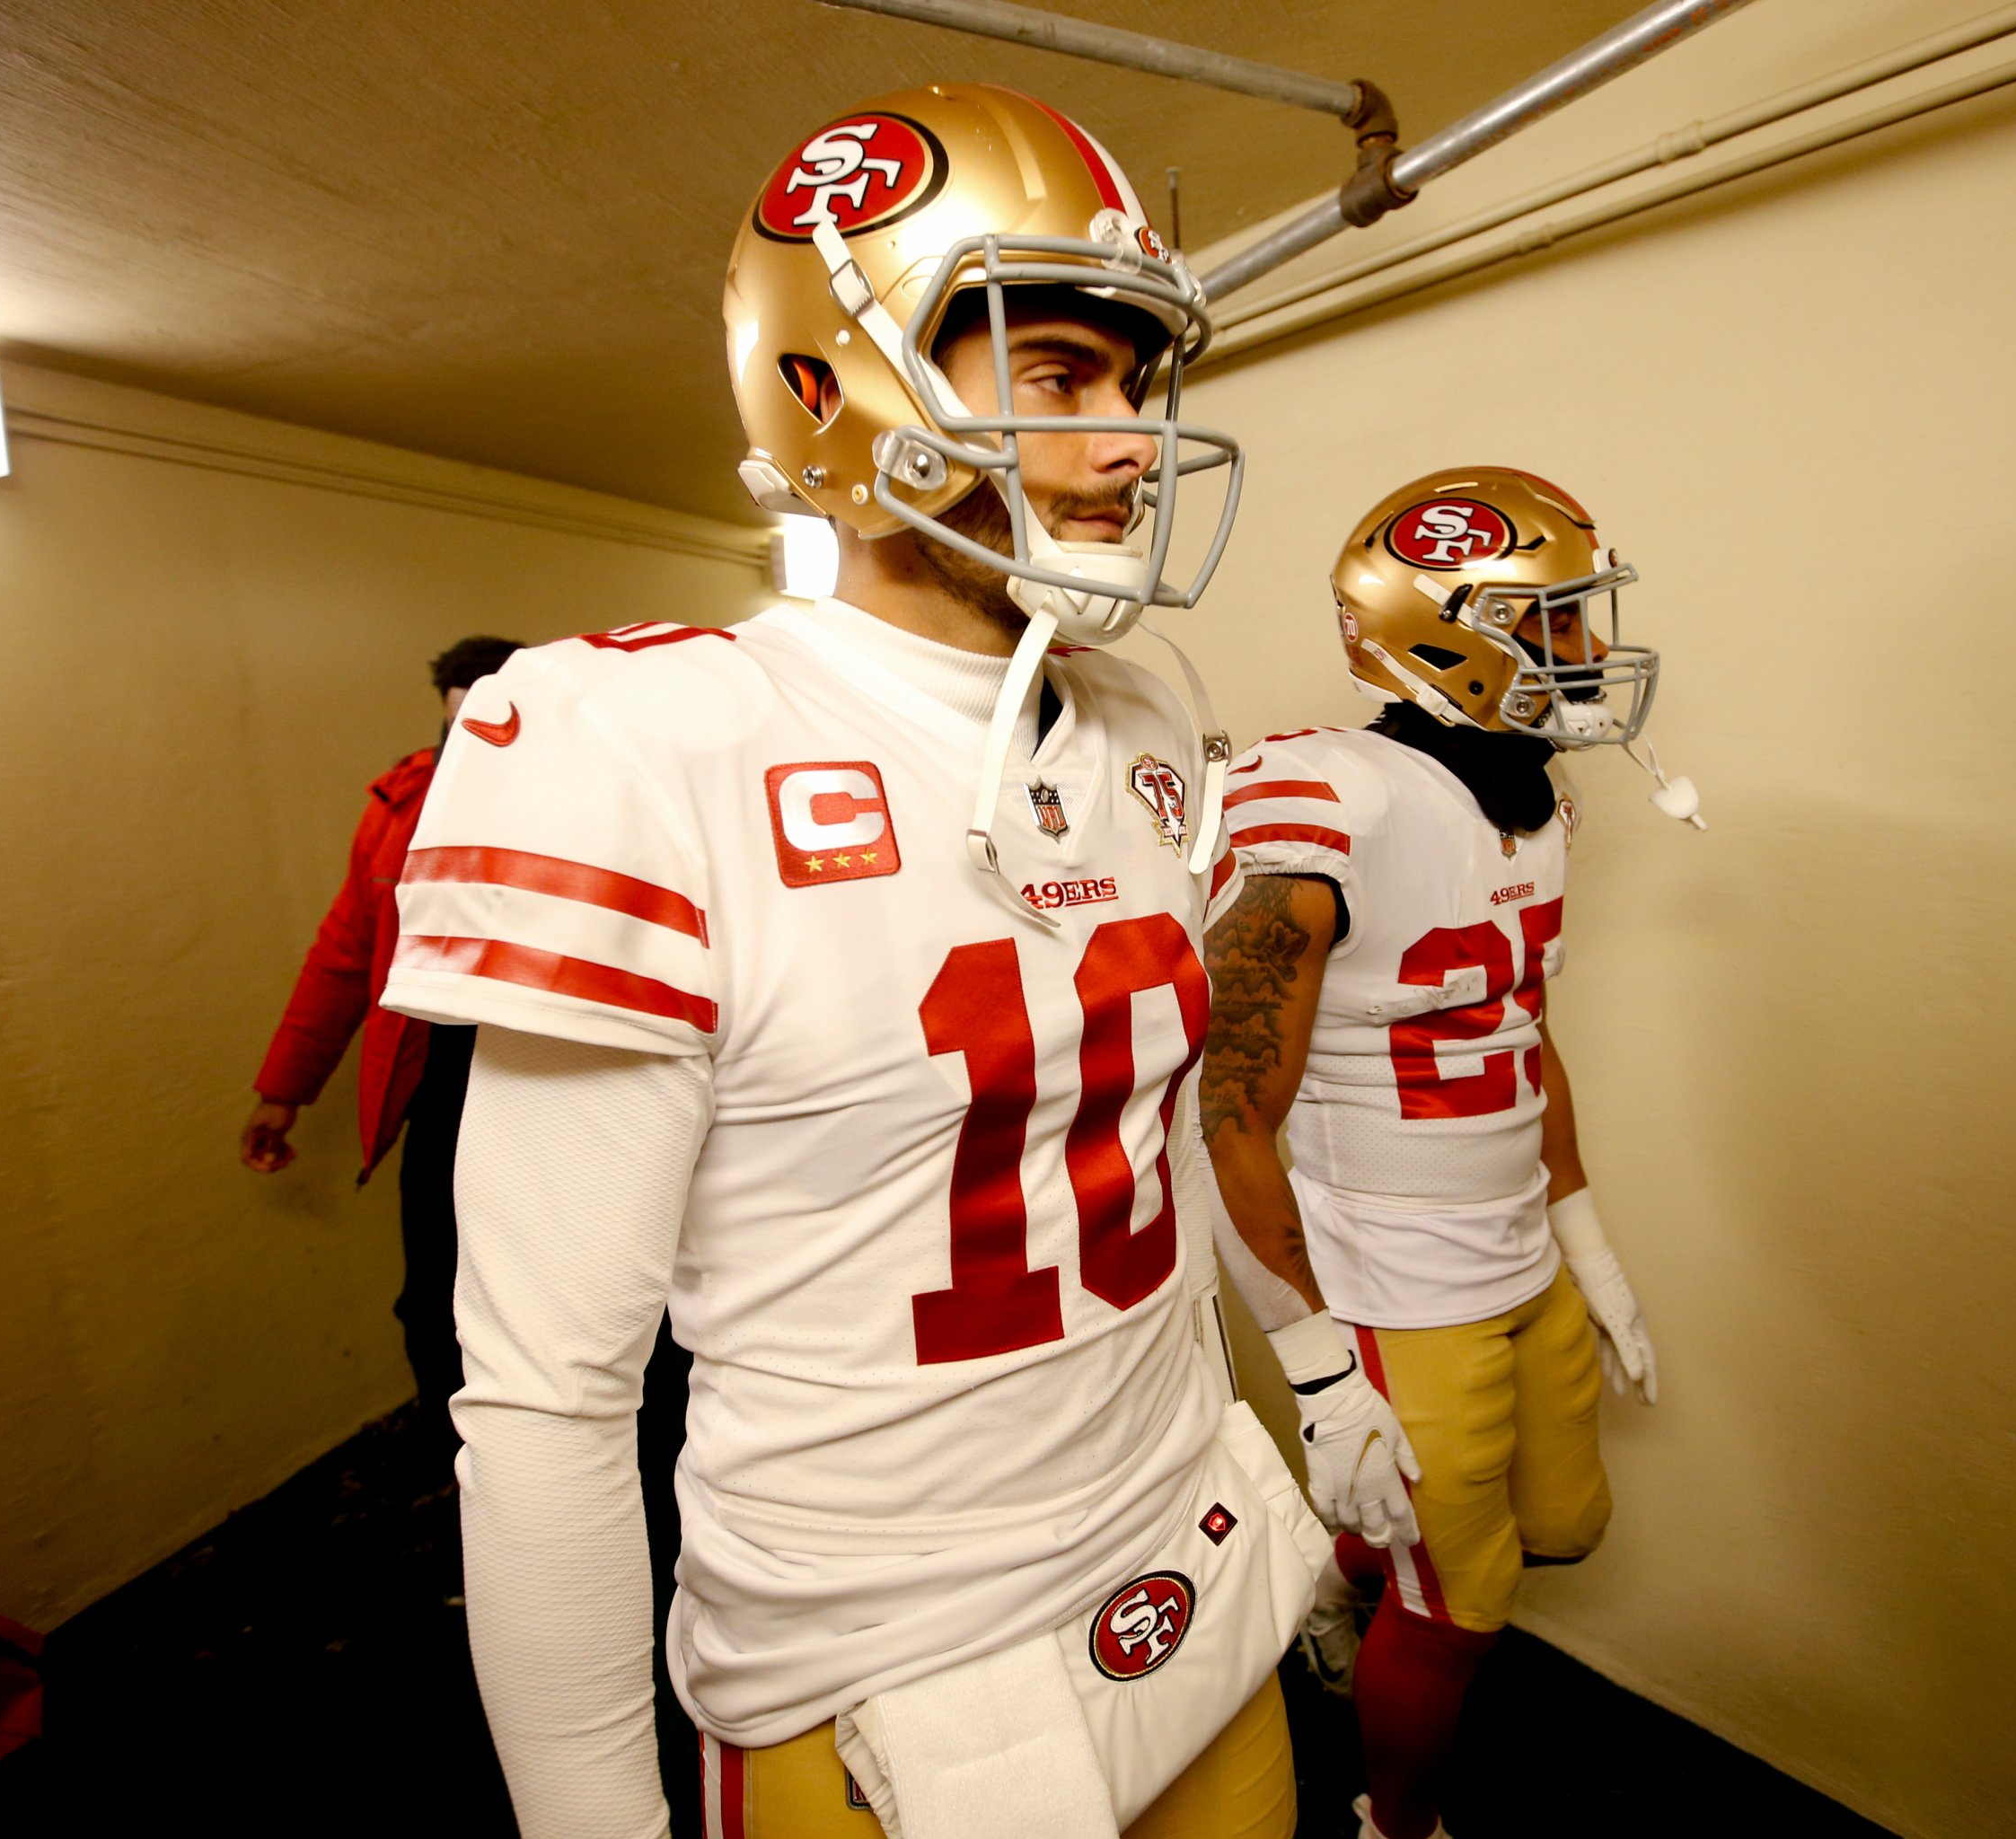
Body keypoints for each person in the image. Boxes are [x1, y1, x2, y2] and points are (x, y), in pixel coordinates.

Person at [379, 85, 1325, 1839]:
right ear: (827, 390)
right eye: (1053, 378)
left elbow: (1145, 1141)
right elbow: (542, 1400)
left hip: (1188, 1531)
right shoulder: (643, 736)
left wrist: (1310, 1372)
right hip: (892, 1671)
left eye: (1135, 382)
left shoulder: (1138, 713)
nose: (1125, 442)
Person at [1201, 467, 1682, 1839]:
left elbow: (1521, 1034)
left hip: (1517, 1246)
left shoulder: (1539, 805)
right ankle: (1394, 1824)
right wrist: (1316, 1374)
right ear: (1447, 637)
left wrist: (1583, 1241)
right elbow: (1229, 1105)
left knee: (1565, 1525)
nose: (1588, 653)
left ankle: (1341, 1572)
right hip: (1399, 1281)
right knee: (1460, 1610)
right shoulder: (1326, 797)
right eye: (1556, 622)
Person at [242, 633, 524, 1466]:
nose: (469, 745)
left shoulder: (591, 796)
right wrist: (284, 1088)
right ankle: (471, 1477)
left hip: (556, 1083)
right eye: (455, 724)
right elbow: (345, 950)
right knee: (432, 1300)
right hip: (442, 1083)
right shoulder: (402, 806)